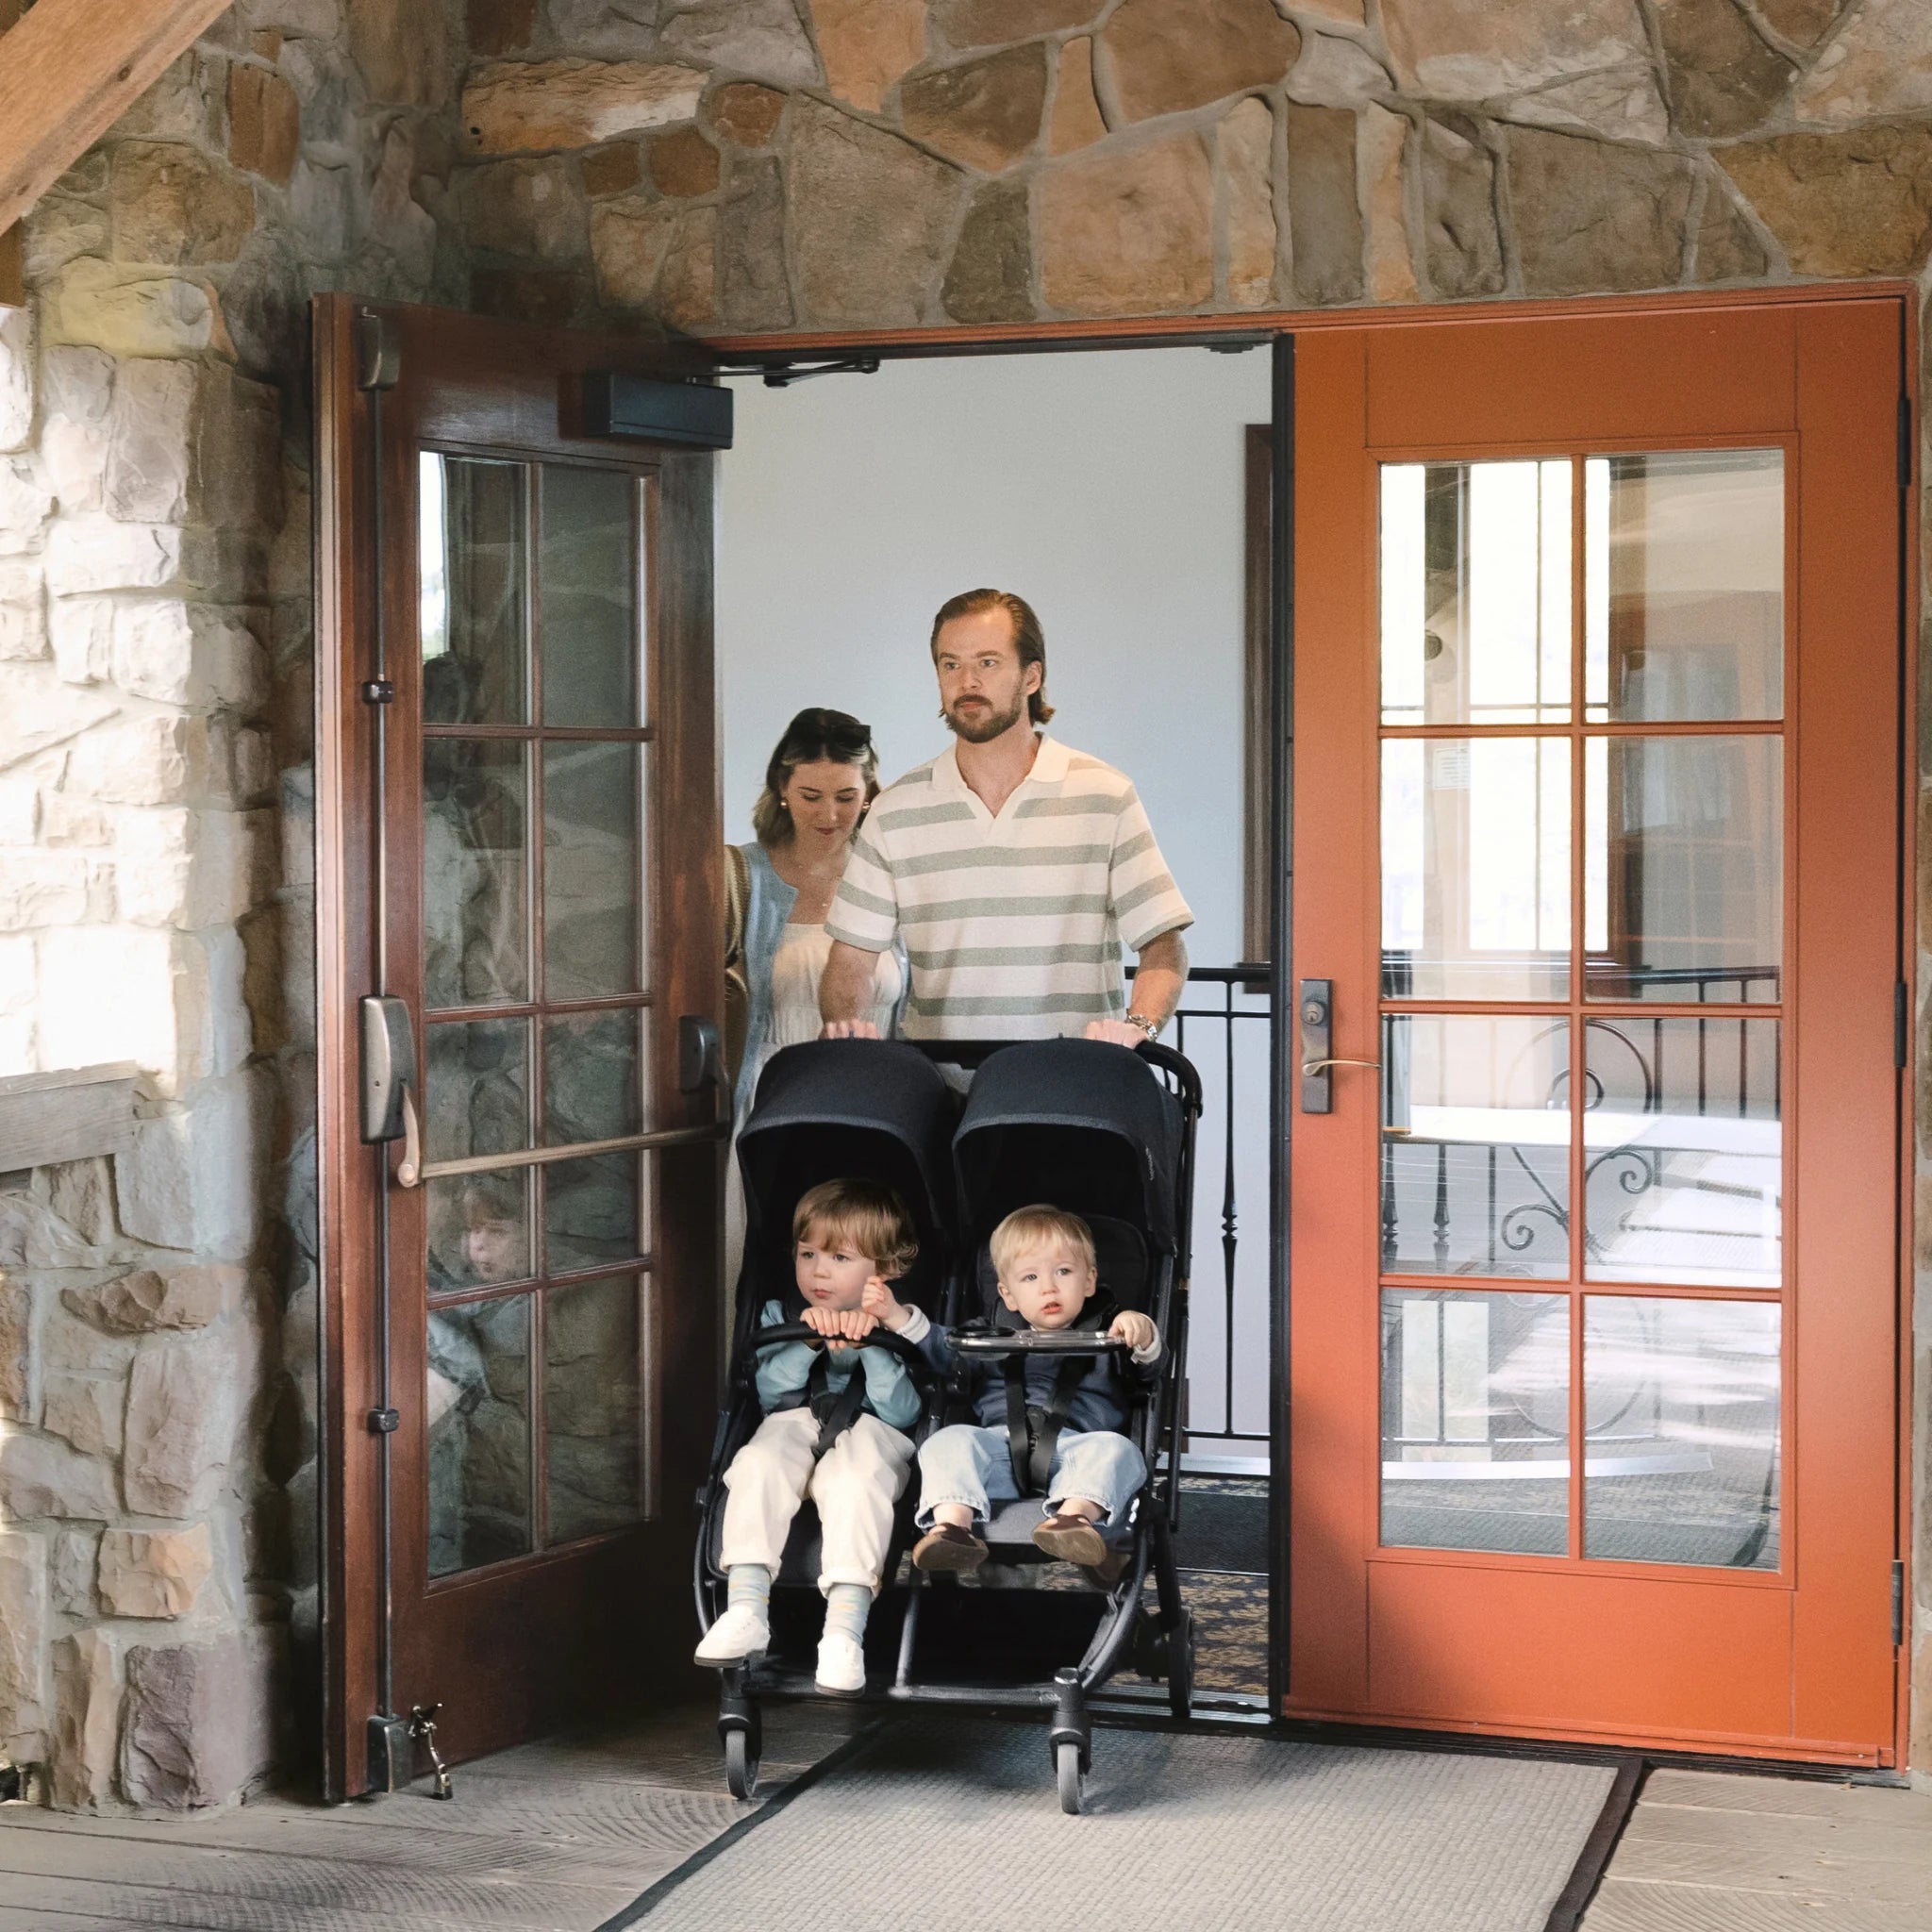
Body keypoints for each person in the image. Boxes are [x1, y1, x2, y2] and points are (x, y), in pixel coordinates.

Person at [819, 589, 1191, 1047]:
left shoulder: (1105, 795)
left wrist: (1138, 1028)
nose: (967, 681)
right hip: (940, 1095)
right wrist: (847, 1026)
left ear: (1031, 676)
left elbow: (1163, 944)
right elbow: (851, 958)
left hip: (1071, 1086)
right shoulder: (895, 810)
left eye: (988, 663)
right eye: (950, 664)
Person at [696, 1179, 932, 1695]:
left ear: (884, 1270)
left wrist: (871, 1341)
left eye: (840, 1258)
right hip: (796, 1416)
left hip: (874, 1426)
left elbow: (905, 1409)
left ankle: (843, 1634)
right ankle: (746, 1608)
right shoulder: (780, 1313)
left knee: (858, 1480)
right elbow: (770, 1394)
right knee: (757, 1463)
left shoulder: (902, 1320)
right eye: (808, 1254)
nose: (819, 1271)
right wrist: (805, 1342)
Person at [864, 1204, 1160, 1575]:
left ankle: (1073, 1522)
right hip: (999, 1450)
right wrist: (895, 1315)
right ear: (1009, 1295)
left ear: (1089, 1281)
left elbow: (1148, 1372)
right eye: (1030, 1278)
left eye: (1064, 1272)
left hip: (1077, 1455)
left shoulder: (1112, 1332)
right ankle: (952, 1526)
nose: (1049, 1286)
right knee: (947, 1441)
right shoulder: (989, 1336)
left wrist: (1142, 1332)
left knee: (1120, 1450)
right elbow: (943, 1349)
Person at [725, 708, 906, 1121]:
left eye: (846, 798)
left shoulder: (893, 877)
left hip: (881, 1098)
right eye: (811, 796)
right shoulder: (739, 876)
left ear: (869, 794)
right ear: (782, 787)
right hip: (773, 1097)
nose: (829, 816)